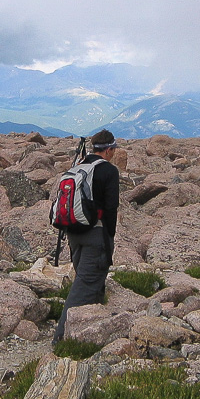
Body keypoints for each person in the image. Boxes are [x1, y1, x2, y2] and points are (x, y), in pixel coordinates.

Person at [53, 129, 121, 344]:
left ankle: (93, 332)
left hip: (74, 233)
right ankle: (62, 340)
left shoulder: (78, 167)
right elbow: (111, 208)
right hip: (96, 234)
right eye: (113, 150)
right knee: (85, 285)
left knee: (89, 280)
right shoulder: (108, 171)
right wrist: (109, 236)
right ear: (109, 150)